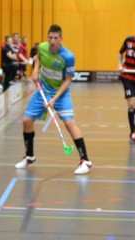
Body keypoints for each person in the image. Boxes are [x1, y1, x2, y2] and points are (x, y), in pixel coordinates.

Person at [15, 24, 94, 175]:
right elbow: (38, 59)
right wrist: (36, 70)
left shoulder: (68, 57)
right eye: (50, 37)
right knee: (27, 121)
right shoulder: (42, 48)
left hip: (61, 94)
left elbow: (68, 80)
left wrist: (54, 99)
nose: (52, 41)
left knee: (70, 123)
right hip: (42, 91)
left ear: (61, 39)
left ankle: (85, 161)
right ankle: (30, 156)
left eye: (56, 38)